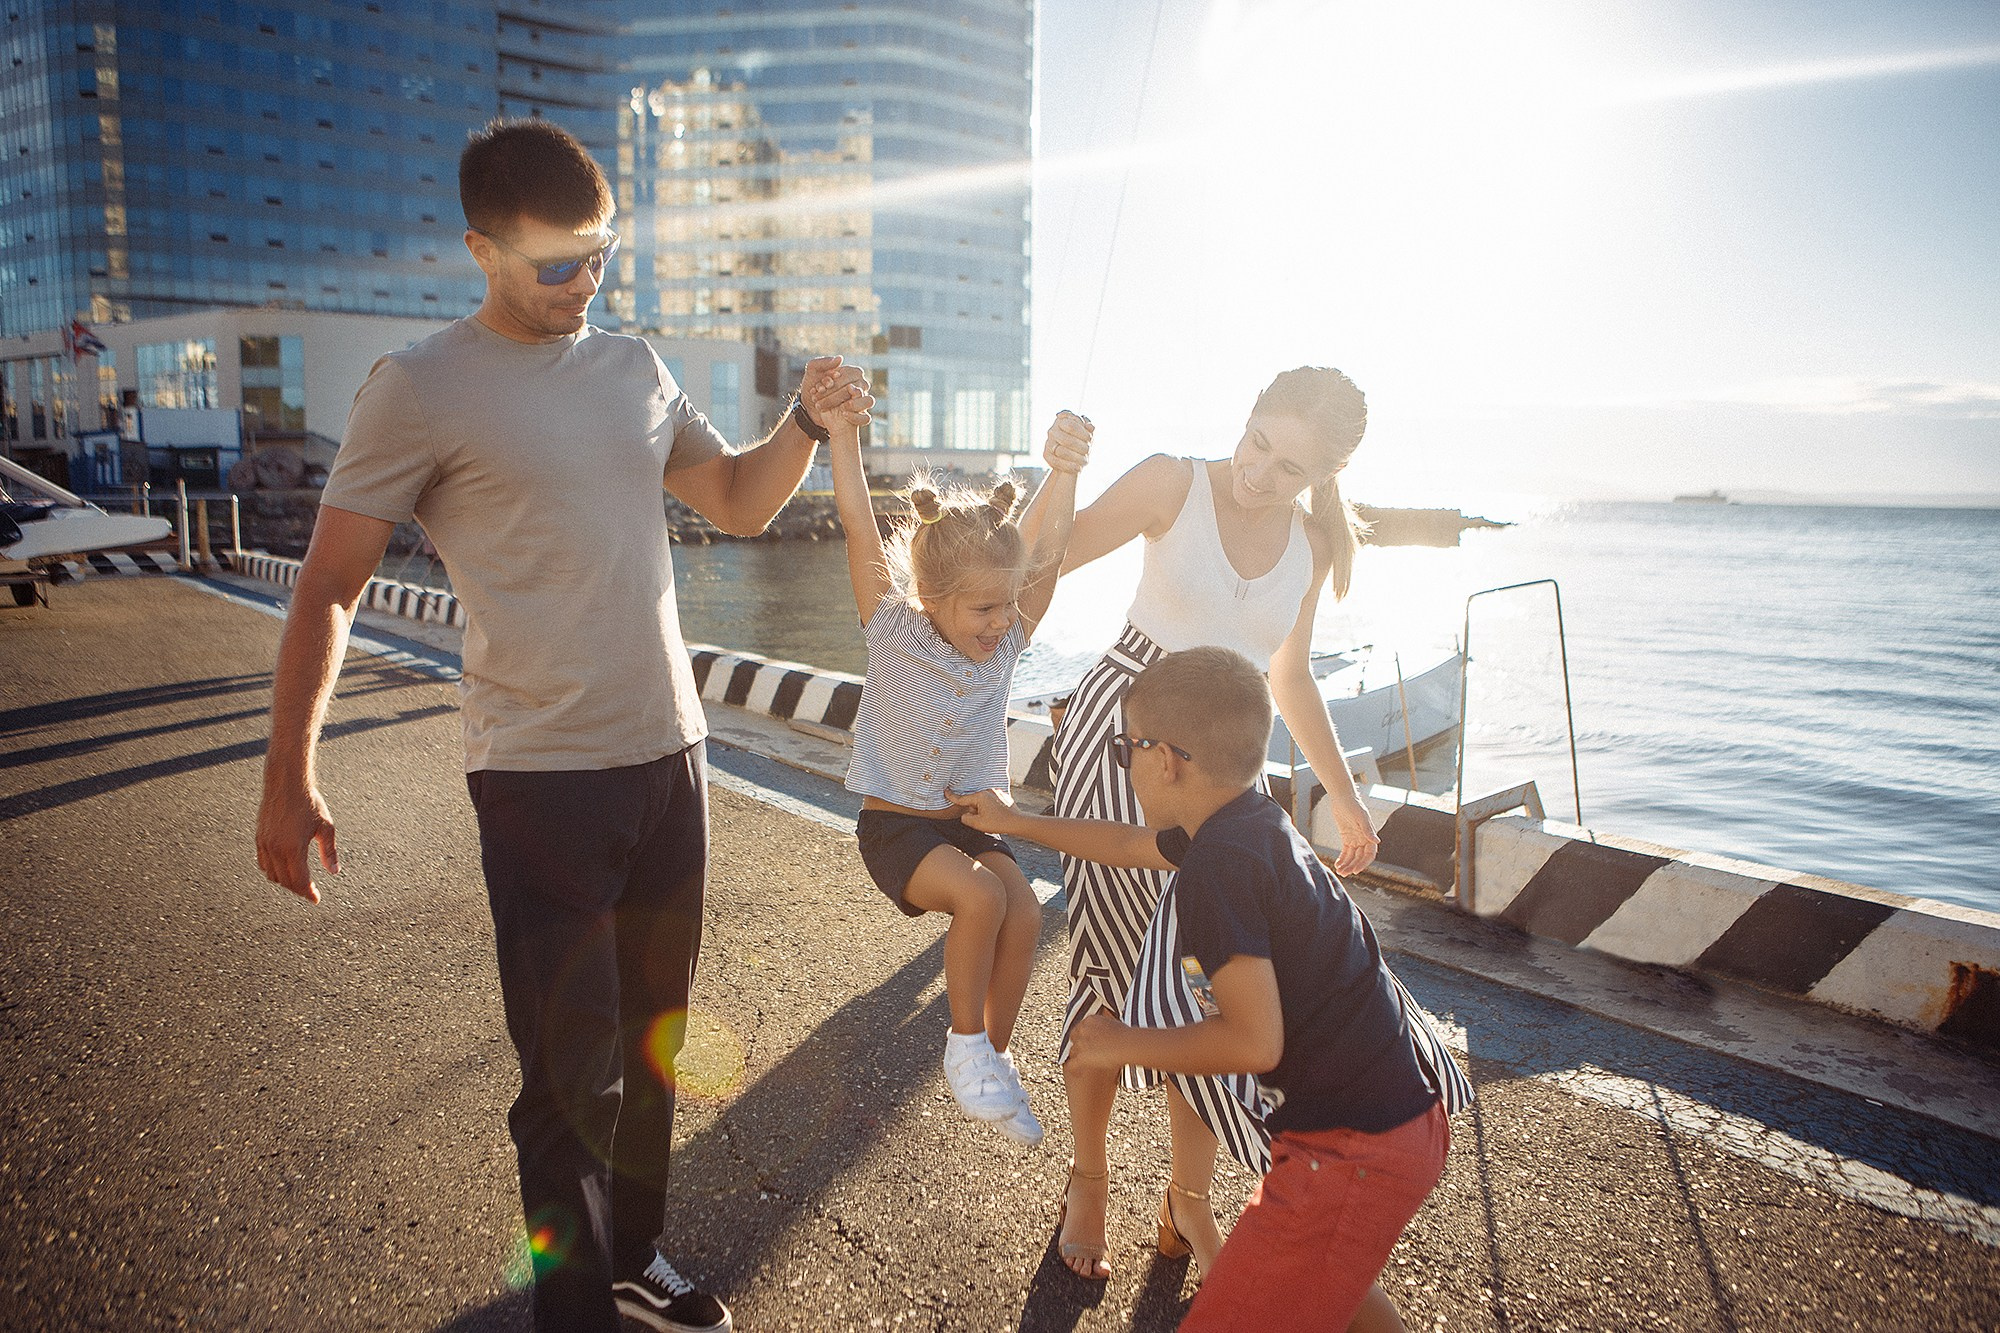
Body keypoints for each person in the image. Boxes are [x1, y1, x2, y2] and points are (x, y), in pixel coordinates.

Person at [254, 118, 870, 1333]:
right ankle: (572, 1311)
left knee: (655, 1045)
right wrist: (289, 772)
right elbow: (327, 587)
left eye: (600, 257)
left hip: (670, 761)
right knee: (566, 1075)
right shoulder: (418, 386)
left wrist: (803, 423)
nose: (582, 285)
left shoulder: (634, 366)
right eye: (554, 265)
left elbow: (740, 503)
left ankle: (634, 1260)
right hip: (541, 779)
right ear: (479, 249)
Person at [1039, 368, 1465, 1282]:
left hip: (1228, 763)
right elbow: (1043, 560)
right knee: (1119, 968)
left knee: (1207, 987)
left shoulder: (1312, 544)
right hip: (1134, 735)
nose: (1258, 472)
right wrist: (1060, 471)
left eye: (1288, 466)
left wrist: (1341, 795)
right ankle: (1088, 1176)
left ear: (1324, 474)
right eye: (1257, 441)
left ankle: (1186, 1198)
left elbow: (1291, 676)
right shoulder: (1170, 481)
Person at [958, 648, 1450, 1332]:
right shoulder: (1246, 821)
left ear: (1167, 760)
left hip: (1348, 1152)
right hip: (1399, 1123)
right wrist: (1015, 822)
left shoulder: (1217, 872)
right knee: (1335, 1288)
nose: (1122, 761)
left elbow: (1254, 1038)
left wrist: (1119, 1041)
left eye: (1126, 745)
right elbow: (1128, 844)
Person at [828, 407, 1092, 1145]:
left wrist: (1065, 470)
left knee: (1028, 912)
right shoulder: (890, 628)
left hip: (970, 820)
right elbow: (855, 523)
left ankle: (993, 1060)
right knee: (980, 898)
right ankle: (964, 1045)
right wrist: (840, 434)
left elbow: (1056, 550)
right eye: (984, 607)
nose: (1003, 620)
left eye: (1010, 603)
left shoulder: (1004, 644)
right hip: (896, 828)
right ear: (931, 598)